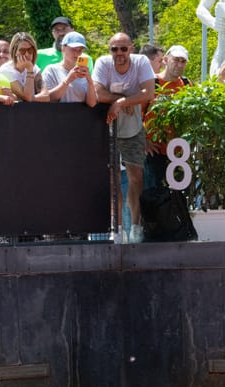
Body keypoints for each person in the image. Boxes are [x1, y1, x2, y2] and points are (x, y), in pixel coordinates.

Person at [93, 33, 156, 243]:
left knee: (136, 177)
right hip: (108, 127)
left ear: (131, 48)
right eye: (114, 49)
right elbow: (96, 93)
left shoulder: (141, 62)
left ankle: (136, 228)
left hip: (133, 128)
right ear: (109, 50)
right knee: (111, 181)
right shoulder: (103, 63)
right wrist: (123, 99)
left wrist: (121, 103)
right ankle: (117, 228)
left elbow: (149, 93)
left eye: (123, 49)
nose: (119, 53)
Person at [145, 45, 194, 187]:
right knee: (154, 194)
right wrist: (144, 140)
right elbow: (136, 114)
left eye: (183, 61)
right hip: (154, 150)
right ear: (166, 60)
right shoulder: (152, 83)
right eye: (175, 60)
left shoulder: (186, 84)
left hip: (179, 152)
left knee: (178, 198)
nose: (179, 65)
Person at [42, 31, 96, 106]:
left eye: (80, 50)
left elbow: (92, 104)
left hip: (80, 116)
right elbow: (47, 98)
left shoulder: (83, 73)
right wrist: (67, 81)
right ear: (63, 48)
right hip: (57, 116)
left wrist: (90, 82)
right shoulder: (51, 70)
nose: (77, 53)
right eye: (73, 49)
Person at [0, 32, 46, 102]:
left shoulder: (35, 68)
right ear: (14, 52)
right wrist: (29, 70)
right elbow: (27, 97)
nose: (27, 54)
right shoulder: (6, 70)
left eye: (30, 50)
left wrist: (27, 99)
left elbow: (46, 96)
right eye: (22, 51)